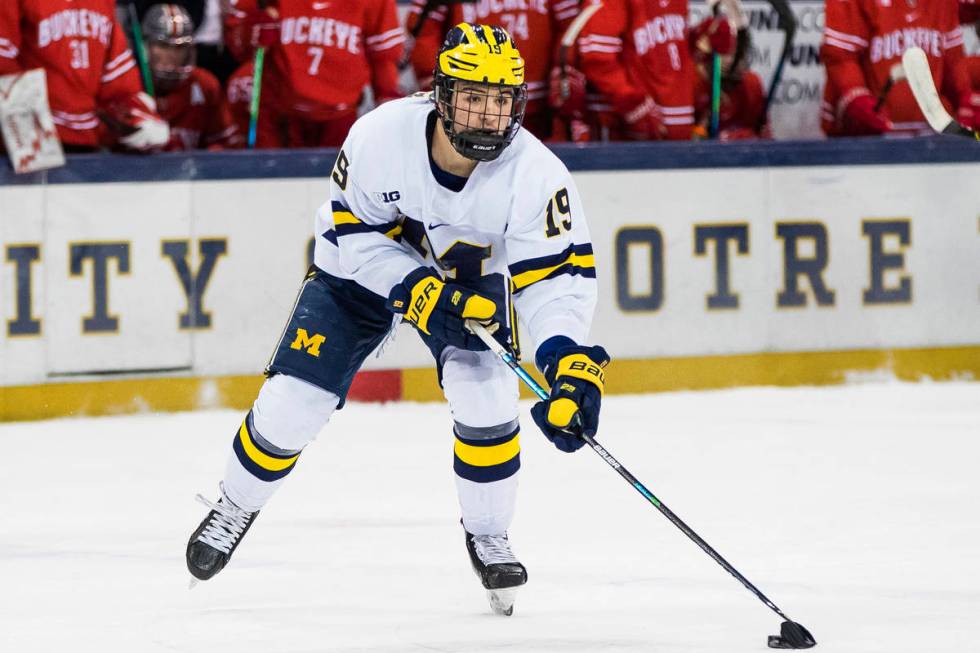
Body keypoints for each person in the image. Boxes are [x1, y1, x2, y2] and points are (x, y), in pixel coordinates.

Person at [185, 23, 608, 616]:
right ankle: (234, 504)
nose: (488, 115)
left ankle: (488, 534)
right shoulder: (380, 136)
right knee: (293, 401)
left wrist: (567, 362)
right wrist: (414, 288)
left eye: (500, 100)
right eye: (473, 97)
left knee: (486, 397)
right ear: (441, 95)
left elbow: (555, 280)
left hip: (466, 285)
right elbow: (353, 234)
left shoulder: (537, 175)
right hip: (359, 275)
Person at [222, 0, 405, 148]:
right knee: (270, 185)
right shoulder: (265, 3)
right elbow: (238, 46)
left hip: (340, 117)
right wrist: (250, 30)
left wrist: (388, 107)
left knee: (339, 188)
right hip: (279, 116)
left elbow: (383, 59)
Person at [0, 0, 169, 152]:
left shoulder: (102, 3)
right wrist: (29, 139)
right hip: (32, 146)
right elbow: (3, 60)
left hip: (87, 145)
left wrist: (136, 116)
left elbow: (117, 80)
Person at [405, 0, 580, 140]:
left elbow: (570, 29)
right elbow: (423, 30)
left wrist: (563, 71)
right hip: (468, 103)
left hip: (539, 108)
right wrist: (438, 80)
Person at [821, 0, 977, 137]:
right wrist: (855, 96)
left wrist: (963, 99)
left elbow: (952, 59)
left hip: (929, 140)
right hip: (865, 143)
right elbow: (840, 57)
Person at [575, 0, 695, 141]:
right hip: (626, 138)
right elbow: (596, 59)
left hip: (678, 134)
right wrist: (632, 102)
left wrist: (704, 45)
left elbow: (674, 58)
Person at [141, 3, 241, 150]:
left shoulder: (205, 85)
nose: (171, 55)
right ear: (146, 47)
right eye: (163, 46)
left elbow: (225, 145)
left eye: (179, 48)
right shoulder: (129, 86)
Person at [689, 9, 767, 140]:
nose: (739, 60)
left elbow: (765, 139)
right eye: (730, 52)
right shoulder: (689, 86)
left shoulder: (752, 84)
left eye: (742, 51)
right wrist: (699, 133)